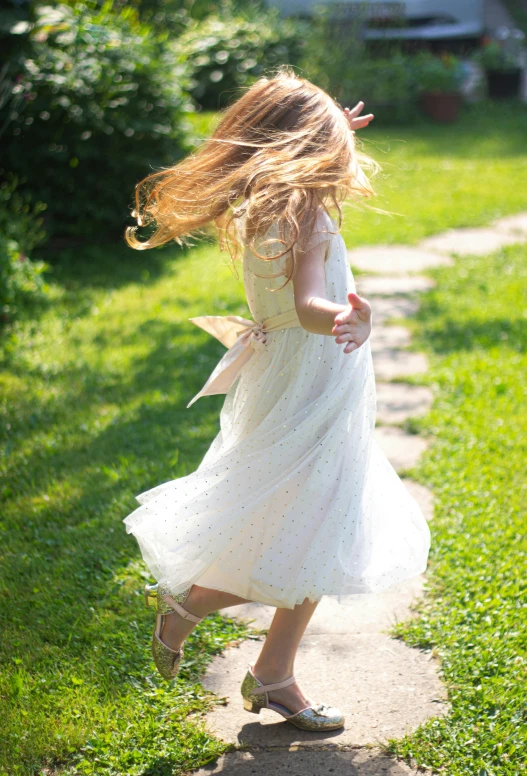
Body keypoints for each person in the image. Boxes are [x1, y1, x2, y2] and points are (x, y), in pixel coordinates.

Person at [122, 67, 431, 732]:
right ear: (308, 147)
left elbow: (292, 291)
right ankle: (190, 606)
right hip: (315, 380)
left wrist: (326, 125)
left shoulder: (262, 201)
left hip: (282, 376)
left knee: (320, 522)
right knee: (321, 522)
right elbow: (309, 302)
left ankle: (274, 675)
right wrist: (349, 321)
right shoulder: (309, 212)